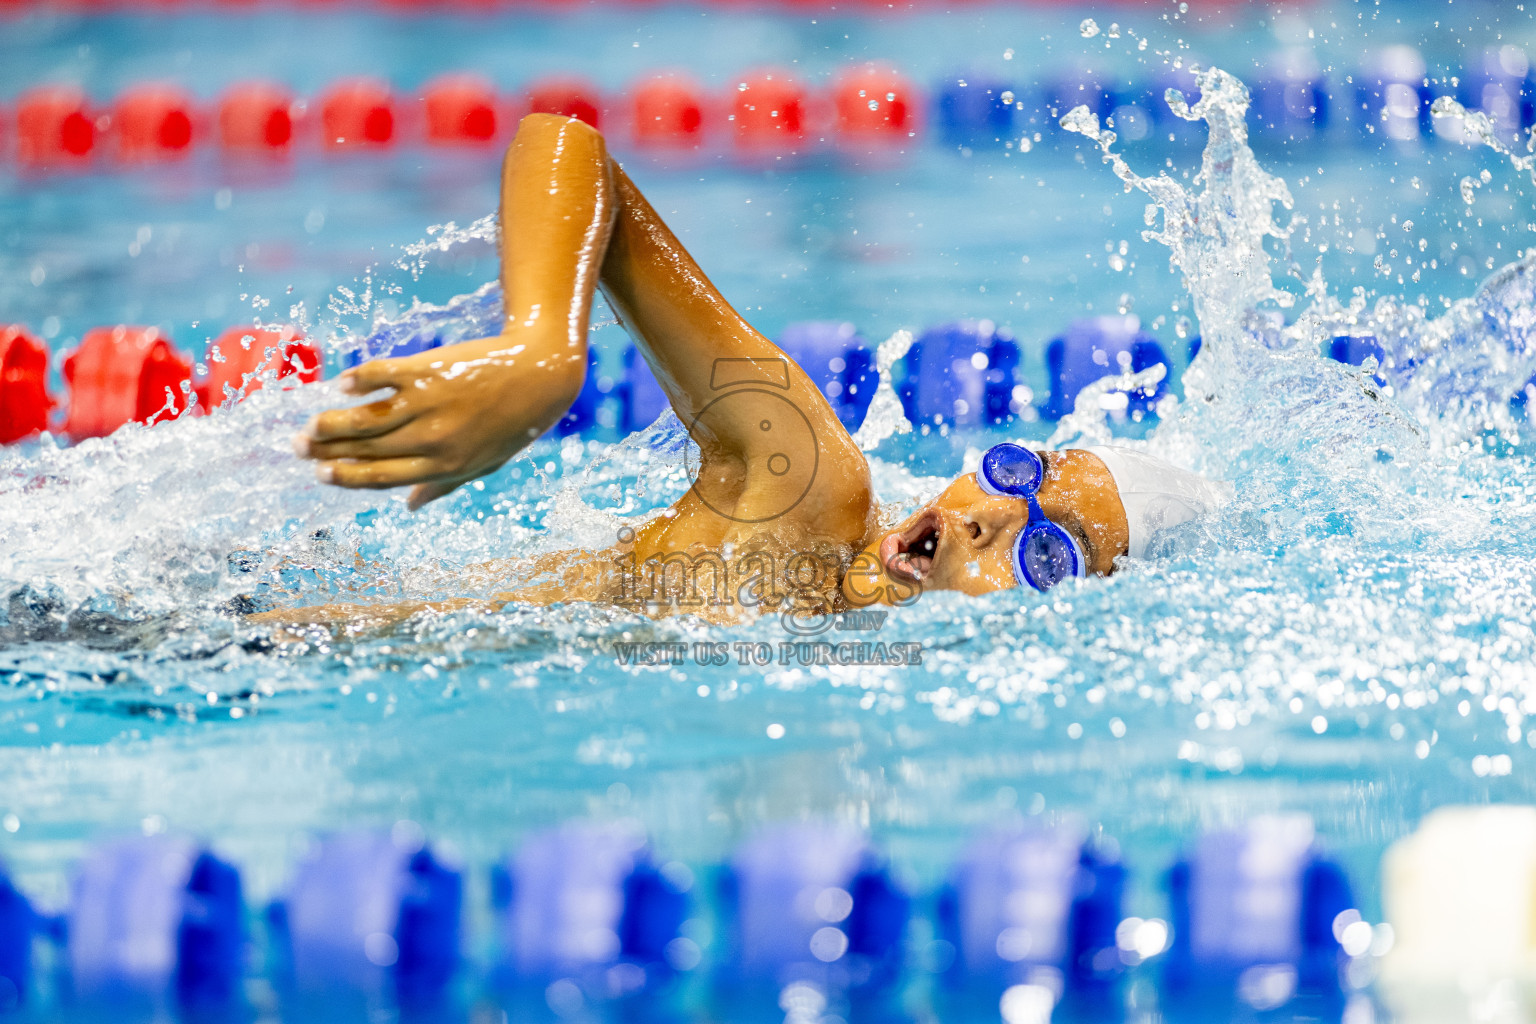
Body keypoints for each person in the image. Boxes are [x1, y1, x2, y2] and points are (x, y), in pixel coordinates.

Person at [273, 113, 1223, 628]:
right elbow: (567, 146)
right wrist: (544, 354)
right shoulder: (808, 490)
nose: (990, 514)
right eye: (1022, 475)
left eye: (1047, 554)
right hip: (242, 641)